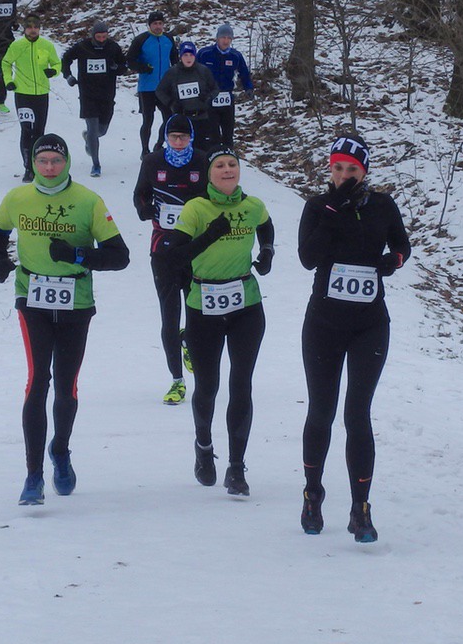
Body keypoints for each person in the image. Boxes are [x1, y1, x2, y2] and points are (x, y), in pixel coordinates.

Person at [0, 134, 130, 506]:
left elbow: (119, 256)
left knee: (66, 386)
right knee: (37, 381)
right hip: (31, 298)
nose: (49, 167)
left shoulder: (88, 201)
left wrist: (78, 255)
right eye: (43, 160)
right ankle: (33, 475)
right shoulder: (18, 198)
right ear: (34, 163)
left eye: (56, 160)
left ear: (66, 163)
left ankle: (60, 450)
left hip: (75, 302)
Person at [296, 134, 411, 543]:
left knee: (357, 414)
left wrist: (393, 261)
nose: (344, 175)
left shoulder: (382, 204)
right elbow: (307, 258)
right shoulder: (317, 206)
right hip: (324, 324)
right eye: (338, 168)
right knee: (321, 412)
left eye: (352, 169)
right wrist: (334, 209)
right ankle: (312, 495)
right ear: (330, 169)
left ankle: (360, 508)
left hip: (369, 324)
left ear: (364, 171)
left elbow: (402, 244)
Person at [156, 146, 274, 496]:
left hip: (246, 306)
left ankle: (236, 467)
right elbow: (172, 257)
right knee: (207, 387)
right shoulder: (196, 209)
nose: (227, 169)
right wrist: (210, 234)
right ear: (209, 174)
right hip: (202, 307)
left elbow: (266, 227)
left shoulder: (253, 206)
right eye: (219, 165)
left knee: (241, 385)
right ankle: (204, 447)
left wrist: (267, 252)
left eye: (232, 164)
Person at [133, 115, 209, 405]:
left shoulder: (202, 160)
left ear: (191, 138)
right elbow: (140, 194)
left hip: (195, 249)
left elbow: (213, 195)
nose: (178, 142)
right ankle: (177, 380)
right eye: (173, 137)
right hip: (163, 248)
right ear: (166, 138)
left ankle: (189, 340)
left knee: (196, 311)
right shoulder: (153, 161)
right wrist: (146, 210)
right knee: (169, 314)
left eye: (183, 137)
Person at [61, 20, 128, 177]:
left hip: (107, 95)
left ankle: (89, 138)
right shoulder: (83, 47)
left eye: (104, 36)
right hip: (87, 94)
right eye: (99, 37)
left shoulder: (113, 47)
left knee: (101, 130)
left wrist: (116, 68)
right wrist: (68, 75)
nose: (102, 40)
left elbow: (123, 67)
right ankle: (96, 164)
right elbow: (66, 59)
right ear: (93, 36)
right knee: (92, 128)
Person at [1, 14, 62, 182]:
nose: (33, 30)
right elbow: (6, 63)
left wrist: (54, 71)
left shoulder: (47, 45)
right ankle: (28, 167)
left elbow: (57, 63)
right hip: (23, 94)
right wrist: (8, 81)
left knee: (39, 132)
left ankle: (37, 165)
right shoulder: (17, 45)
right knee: (27, 130)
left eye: (36, 27)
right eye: (29, 27)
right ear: (24, 29)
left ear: (40, 28)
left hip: (41, 94)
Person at [126, 11, 178, 158]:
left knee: (169, 118)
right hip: (147, 87)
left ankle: (159, 144)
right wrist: (143, 68)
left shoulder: (168, 39)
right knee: (148, 120)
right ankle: (145, 150)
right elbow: (130, 60)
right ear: (149, 25)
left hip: (165, 88)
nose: (158, 26)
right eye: (155, 24)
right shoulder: (141, 40)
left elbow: (175, 59)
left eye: (160, 23)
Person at [196, 24, 254, 148]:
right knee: (213, 135)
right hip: (209, 99)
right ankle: (213, 157)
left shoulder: (235, 56)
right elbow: (193, 72)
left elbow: (244, 73)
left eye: (229, 38)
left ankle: (228, 157)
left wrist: (248, 88)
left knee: (228, 135)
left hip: (227, 99)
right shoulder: (205, 53)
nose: (226, 41)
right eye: (223, 37)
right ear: (217, 38)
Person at [156, 42, 217, 151]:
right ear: (180, 56)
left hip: (202, 118)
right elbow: (160, 91)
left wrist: (208, 97)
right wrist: (171, 103)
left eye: (191, 55)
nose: (188, 58)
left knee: (202, 151)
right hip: (182, 118)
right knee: (183, 149)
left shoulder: (203, 70)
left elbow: (215, 88)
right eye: (185, 55)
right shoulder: (172, 72)